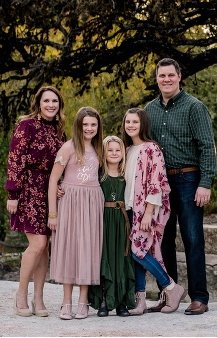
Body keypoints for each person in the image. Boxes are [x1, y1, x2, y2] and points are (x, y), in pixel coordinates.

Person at [143, 58, 216, 315]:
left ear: (179, 76)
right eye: (162, 76)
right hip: (160, 185)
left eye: (170, 75)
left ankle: (199, 297)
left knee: (193, 238)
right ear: (157, 79)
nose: (166, 79)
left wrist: (205, 183)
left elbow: (207, 146)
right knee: (162, 242)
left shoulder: (194, 107)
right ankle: (168, 294)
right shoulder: (148, 110)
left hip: (188, 180)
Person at [6, 86, 66, 318]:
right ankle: (21, 293)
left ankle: (38, 297)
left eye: (55, 101)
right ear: (38, 103)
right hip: (29, 189)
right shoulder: (27, 125)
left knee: (44, 248)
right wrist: (13, 194)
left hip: (49, 193)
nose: (51, 105)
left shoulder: (59, 132)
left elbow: (63, 163)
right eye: (46, 101)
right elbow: (15, 159)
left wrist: (60, 183)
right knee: (38, 244)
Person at [122, 108, 186, 315]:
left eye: (135, 122)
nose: (130, 125)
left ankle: (170, 287)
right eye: (128, 122)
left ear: (143, 125)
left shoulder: (152, 149)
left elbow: (157, 183)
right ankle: (140, 301)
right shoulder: (127, 149)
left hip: (145, 210)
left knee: (137, 251)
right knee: (137, 255)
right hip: (129, 209)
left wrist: (149, 212)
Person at [47, 107, 105, 320]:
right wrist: (52, 214)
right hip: (70, 202)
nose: (89, 128)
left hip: (92, 203)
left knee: (88, 249)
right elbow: (53, 180)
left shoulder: (101, 148)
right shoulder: (68, 148)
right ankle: (66, 302)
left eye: (93, 125)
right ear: (78, 126)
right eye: (85, 124)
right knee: (69, 248)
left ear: (98, 127)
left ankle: (83, 302)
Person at [88, 136, 136, 317]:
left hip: (121, 222)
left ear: (122, 153)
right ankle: (103, 301)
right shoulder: (99, 176)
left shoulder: (126, 177)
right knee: (105, 257)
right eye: (110, 150)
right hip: (104, 221)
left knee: (121, 260)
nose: (114, 153)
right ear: (104, 153)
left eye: (118, 150)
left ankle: (122, 302)